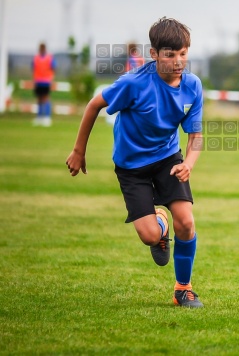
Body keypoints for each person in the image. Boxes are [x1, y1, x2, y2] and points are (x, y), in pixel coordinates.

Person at [66, 17, 204, 308]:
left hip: (168, 158)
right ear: (154, 54)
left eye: (183, 54)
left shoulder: (193, 86)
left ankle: (183, 289)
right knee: (149, 236)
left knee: (187, 222)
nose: (178, 61)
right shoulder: (132, 83)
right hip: (132, 167)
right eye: (170, 54)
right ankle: (160, 227)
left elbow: (196, 136)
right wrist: (79, 151)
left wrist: (189, 163)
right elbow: (94, 105)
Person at [32, 43, 56, 127]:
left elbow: (53, 68)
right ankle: (39, 117)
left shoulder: (49, 58)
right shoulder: (36, 58)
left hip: (46, 81)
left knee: (46, 98)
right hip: (38, 81)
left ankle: (47, 117)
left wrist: (51, 79)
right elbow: (34, 69)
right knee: (39, 99)